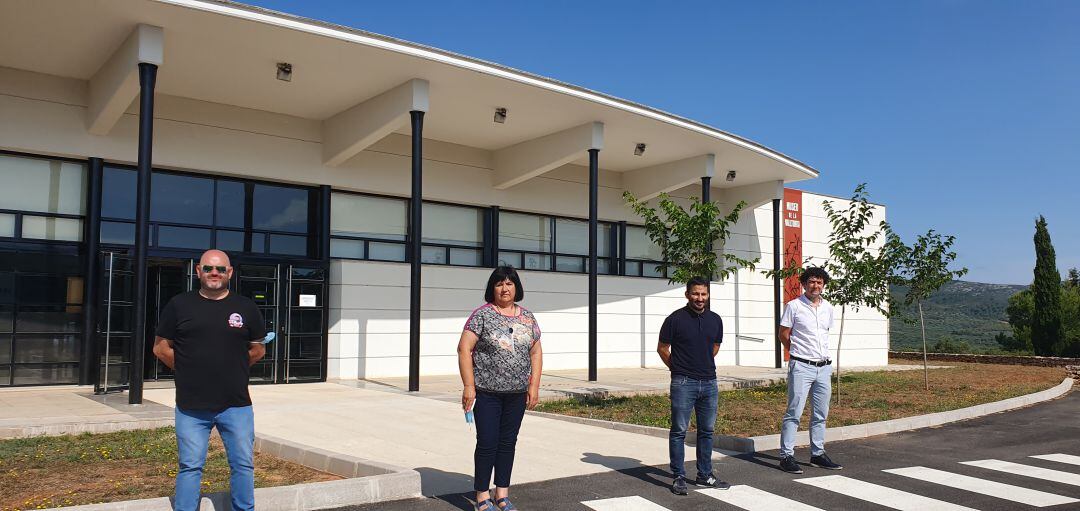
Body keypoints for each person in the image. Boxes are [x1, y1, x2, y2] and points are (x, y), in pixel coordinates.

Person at [152, 249, 267, 511]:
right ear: (198, 271)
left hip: (236, 405)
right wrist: (189, 371)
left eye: (220, 269)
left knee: (243, 464)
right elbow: (161, 348)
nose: (214, 273)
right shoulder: (179, 305)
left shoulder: (246, 307)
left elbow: (257, 349)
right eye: (207, 268)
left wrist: (232, 368)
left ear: (230, 273)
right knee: (190, 466)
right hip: (192, 406)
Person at [457, 266, 543, 511]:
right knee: (487, 442)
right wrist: (468, 386)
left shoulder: (527, 317)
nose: (505, 289)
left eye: (509, 283)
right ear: (492, 288)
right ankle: (482, 496)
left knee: (508, 443)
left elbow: (535, 351)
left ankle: (502, 494)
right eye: (499, 284)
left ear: (516, 287)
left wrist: (534, 385)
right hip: (487, 393)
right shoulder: (482, 315)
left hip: (516, 394)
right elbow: (464, 349)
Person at [658, 276, 729, 495]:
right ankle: (678, 476)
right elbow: (662, 348)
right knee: (679, 431)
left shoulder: (715, 319)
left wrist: (702, 362)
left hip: (709, 382)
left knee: (707, 431)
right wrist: (677, 369)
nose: (700, 298)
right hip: (683, 383)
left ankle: (704, 475)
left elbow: (715, 346)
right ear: (687, 294)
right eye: (695, 294)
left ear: (708, 295)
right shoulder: (675, 319)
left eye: (703, 294)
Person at [777, 266, 843, 474]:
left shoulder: (828, 308)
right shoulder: (794, 306)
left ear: (824, 285)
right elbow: (783, 333)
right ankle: (786, 456)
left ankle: (817, 454)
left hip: (823, 367)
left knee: (821, 413)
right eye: (812, 282)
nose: (816, 285)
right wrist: (796, 351)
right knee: (794, 412)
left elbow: (823, 334)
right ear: (804, 284)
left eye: (819, 282)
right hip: (801, 366)